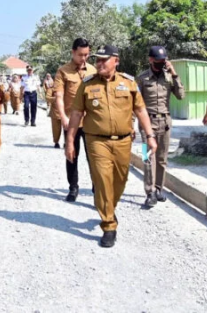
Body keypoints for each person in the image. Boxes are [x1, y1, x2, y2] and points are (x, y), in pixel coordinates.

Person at [66, 45, 158, 248]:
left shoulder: (129, 83)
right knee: (102, 181)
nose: (98, 63)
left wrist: (150, 136)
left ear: (115, 60)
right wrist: (70, 141)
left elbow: (141, 110)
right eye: (97, 60)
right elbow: (76, 114)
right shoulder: (88, 84)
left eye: (103, 60)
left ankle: (108, 206)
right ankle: (108, 224)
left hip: (124, 140)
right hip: (96, 141)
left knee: (119, 180)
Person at [136, 46, 185, 208]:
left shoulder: (169, 77)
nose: (161, 64)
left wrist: (175, 74)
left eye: (163, 61)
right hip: (146, 124)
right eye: (158, 61)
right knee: (147, 158)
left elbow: (181, 95)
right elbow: (134, 103)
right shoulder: (142, 78)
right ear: (150, 60)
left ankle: (158, 189)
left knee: (162, 159)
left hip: (165, 123)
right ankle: (149, 192)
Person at [54, 38, 98, 202]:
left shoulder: (93, 70)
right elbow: (58, 96)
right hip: (71, 121)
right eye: (80, 54)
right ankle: (73, 187)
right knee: (71, 155)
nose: (83, 58)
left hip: (91, 122)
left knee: (93, 156)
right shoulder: (63, 71)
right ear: (73, 52)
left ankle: (96, 189)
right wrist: (63, 117)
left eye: (86, 55)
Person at [43, 73, 62, 148]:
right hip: (55, 111)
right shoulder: (51, 88)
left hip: (66, 111)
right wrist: (55, 99)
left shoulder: (66, 87)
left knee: (67, 129)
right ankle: (56, 142)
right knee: (56, 128)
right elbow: (47, 97)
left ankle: (67, 142)